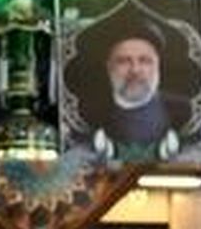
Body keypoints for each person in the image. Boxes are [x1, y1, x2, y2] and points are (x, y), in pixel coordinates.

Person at [82, 18, 191, 162]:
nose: (135, 70)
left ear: (158, 66)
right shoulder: (89, 113)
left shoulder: (182, 110)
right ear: (109, 67)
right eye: (124, 61)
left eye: (144, 61)